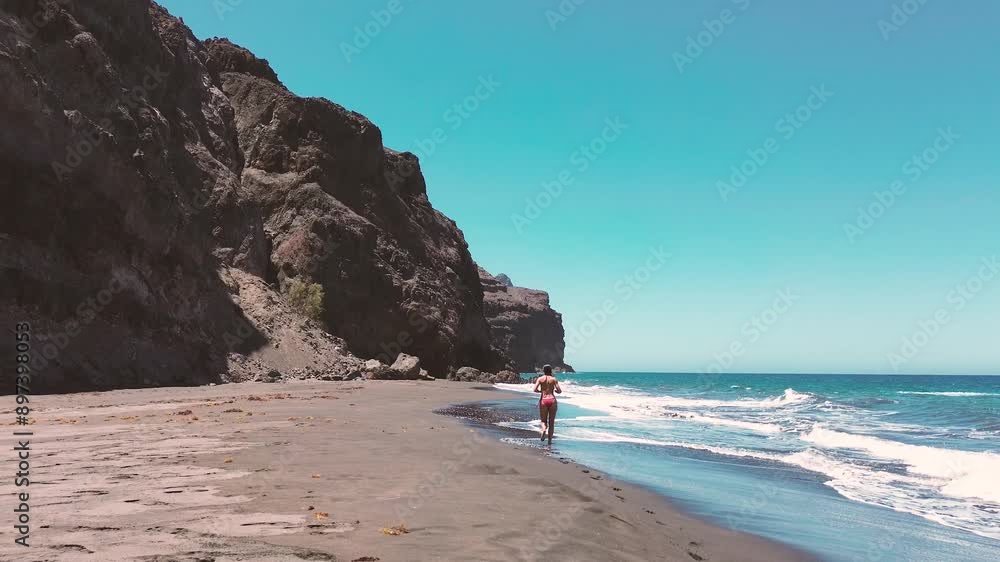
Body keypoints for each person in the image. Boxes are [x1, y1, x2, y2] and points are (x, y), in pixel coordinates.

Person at [533, 365, 562, 445]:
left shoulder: (540, 379)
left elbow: (534, 389)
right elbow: (559, 390)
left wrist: (541, 391)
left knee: (543, 421)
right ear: (551, 370)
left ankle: (544, 430)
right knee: (551, 422)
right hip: (552, 400)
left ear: (543, 370)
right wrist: (556, 391)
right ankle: (549, 442)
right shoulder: (554, 379)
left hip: (544, 400)